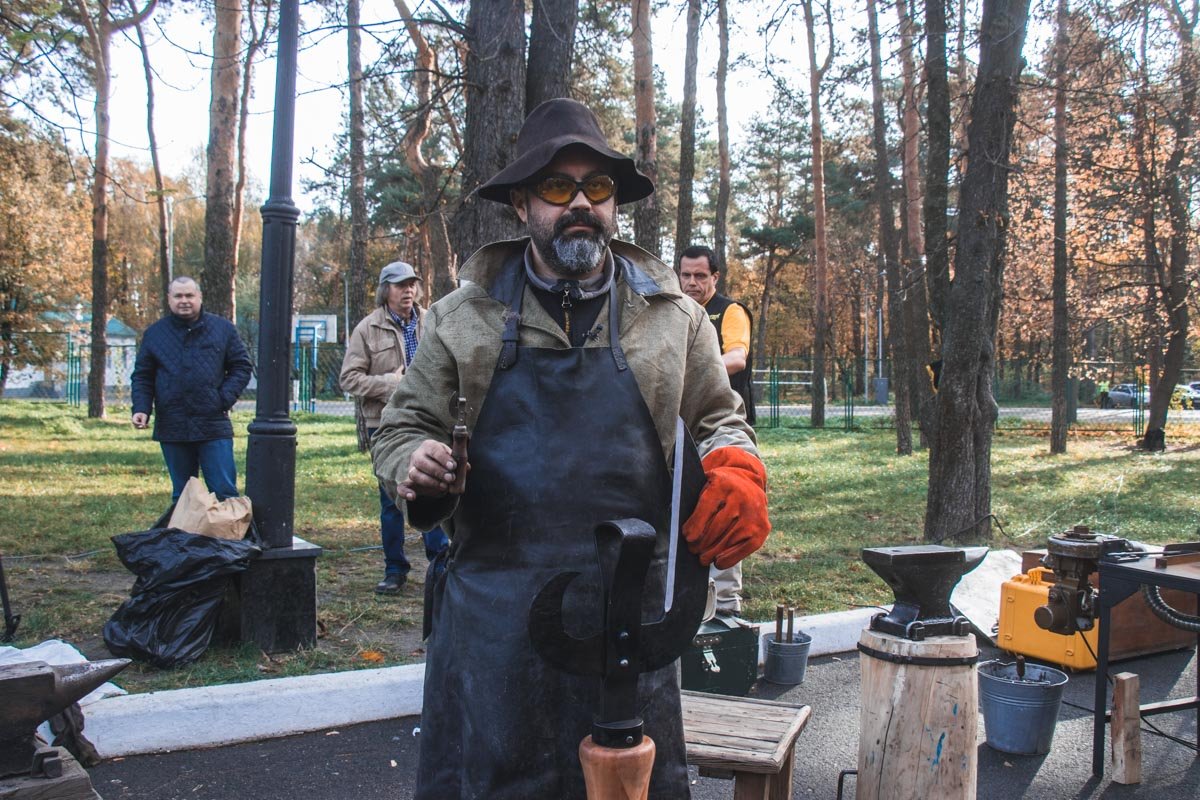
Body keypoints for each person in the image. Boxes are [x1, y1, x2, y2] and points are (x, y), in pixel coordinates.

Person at [371, 98, 770, 799]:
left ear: (616, 203)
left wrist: (738, 468)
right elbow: (402, 428)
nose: (581, 204)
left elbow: (718, 419)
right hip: (494, 616)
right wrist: (414, 462)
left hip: (633, 616)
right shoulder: (460, 318)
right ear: (523, 204)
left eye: (598, 188)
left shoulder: (673, 318)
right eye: (559, 188)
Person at [340, 261, 450, 595]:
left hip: (430, 419)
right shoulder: (367, 328)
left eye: (412, 284)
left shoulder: (434, 319)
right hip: (385, 425)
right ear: (385, 289)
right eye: (401, 285)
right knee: (391, 499)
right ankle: (394, 570)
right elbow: (348, 378)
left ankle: (441, 562)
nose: (408, 291)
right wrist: (391, 384)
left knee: (433, 488)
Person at [678, 244, 756, 617]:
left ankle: (727, 604)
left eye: (700, 276)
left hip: (724, 429)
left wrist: (689, 373)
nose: (691, 283)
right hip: (681, 430)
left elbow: (737, 357)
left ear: (715, 277)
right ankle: (692, 604)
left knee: (726, 507)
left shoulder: (730, 311)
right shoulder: (672, 313)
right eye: (685, 275)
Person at [131, 276, 252, 502]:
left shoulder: (222, 329)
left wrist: (223, 398)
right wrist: (141, 408)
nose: (184, 301)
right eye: (178, 296)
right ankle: (186, 537)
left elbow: (241, 366)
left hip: (213, 423)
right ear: (169, 300)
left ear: (199, 297)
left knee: (224, 491)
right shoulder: (155, 334)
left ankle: (229, 537)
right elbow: (143, 376)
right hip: (172, 424)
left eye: (189, 295)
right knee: (183, 495)